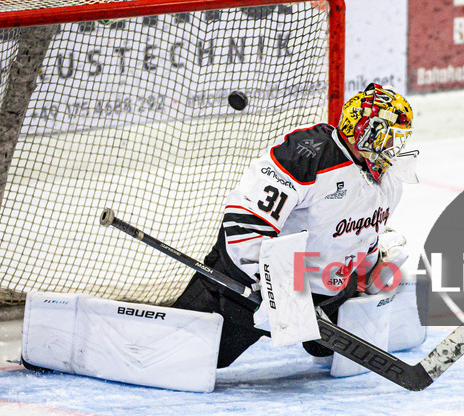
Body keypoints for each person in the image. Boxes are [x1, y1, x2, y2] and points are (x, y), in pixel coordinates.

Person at [172, 82, 419, 370]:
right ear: (367, 130)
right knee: (187, 359)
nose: (393, 148)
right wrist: (271, 290)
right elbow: (244, 224)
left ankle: (326, 317)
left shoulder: (388, 182)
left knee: (325, 348)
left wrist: (372, 269)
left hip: (324, 295)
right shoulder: (305, 156)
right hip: (253, 290)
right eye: (389, 138)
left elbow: (365, 235)